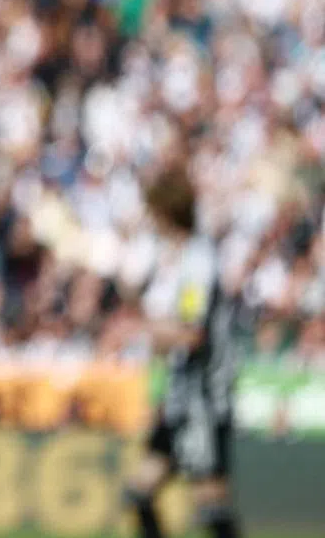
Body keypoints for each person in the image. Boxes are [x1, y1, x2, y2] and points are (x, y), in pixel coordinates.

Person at [125, 171, 241, 538]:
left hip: (202, 396)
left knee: (210, 504)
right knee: (139, 492)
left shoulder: (197, 261)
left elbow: (191, 334)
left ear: (165, 213)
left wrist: (143, 329)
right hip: (179, 395)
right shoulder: (171, 259)